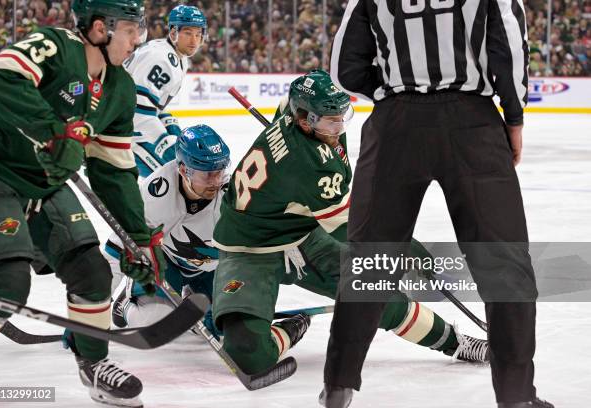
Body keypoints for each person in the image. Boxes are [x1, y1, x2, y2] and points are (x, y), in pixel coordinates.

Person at [324, 0, 552, 407]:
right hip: (473, 125)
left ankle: (338, 386)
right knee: (504, 263)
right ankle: (517, 398)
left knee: (370, 262)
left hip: (394, 127)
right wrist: (514, 118)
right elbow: (510, 50)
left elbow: (344, 67)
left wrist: (390, 96)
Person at [211, 70, 488, 379]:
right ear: (304, 119)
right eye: (331, 120)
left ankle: (456, 342)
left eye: (342, 115)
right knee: (248, 355)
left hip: (303, 234)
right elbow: (353, 228)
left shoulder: (295, 113)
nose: (339, 125)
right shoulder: (313, 166)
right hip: (249, 247)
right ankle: (291, 328)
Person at [0, 1, 166, 407]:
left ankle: (95, 367)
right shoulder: (54, 45)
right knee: (4, 282)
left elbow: (114, 171)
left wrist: (138, 237)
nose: (139, 40)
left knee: (92, 272)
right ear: (100, 28)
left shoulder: (120, 89)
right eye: (131, 30)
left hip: (43, 185)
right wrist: (52, 133)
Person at [105, 124, 229, 337]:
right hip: (166, 263)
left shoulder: (233, 191)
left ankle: (193, 300)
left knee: (220, 327)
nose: (215, 182)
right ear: (183, 170)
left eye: (219, 172)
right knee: (157, 323)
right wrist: (91, 309)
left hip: (211, 269)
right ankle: (125, 305)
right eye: (207, 175)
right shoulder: (157, 194)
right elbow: (117, 249)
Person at [124, 5, 206, 177]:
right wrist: (164, 141)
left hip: (123, 121)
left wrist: (170, 124)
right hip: (119, 129)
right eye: (188, 33)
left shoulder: (175, 56)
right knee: (177, 174)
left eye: (198, 34)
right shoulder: (162, 59)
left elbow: (152, 104)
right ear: (174, 33)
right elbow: (137, 110)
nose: (194, 41)